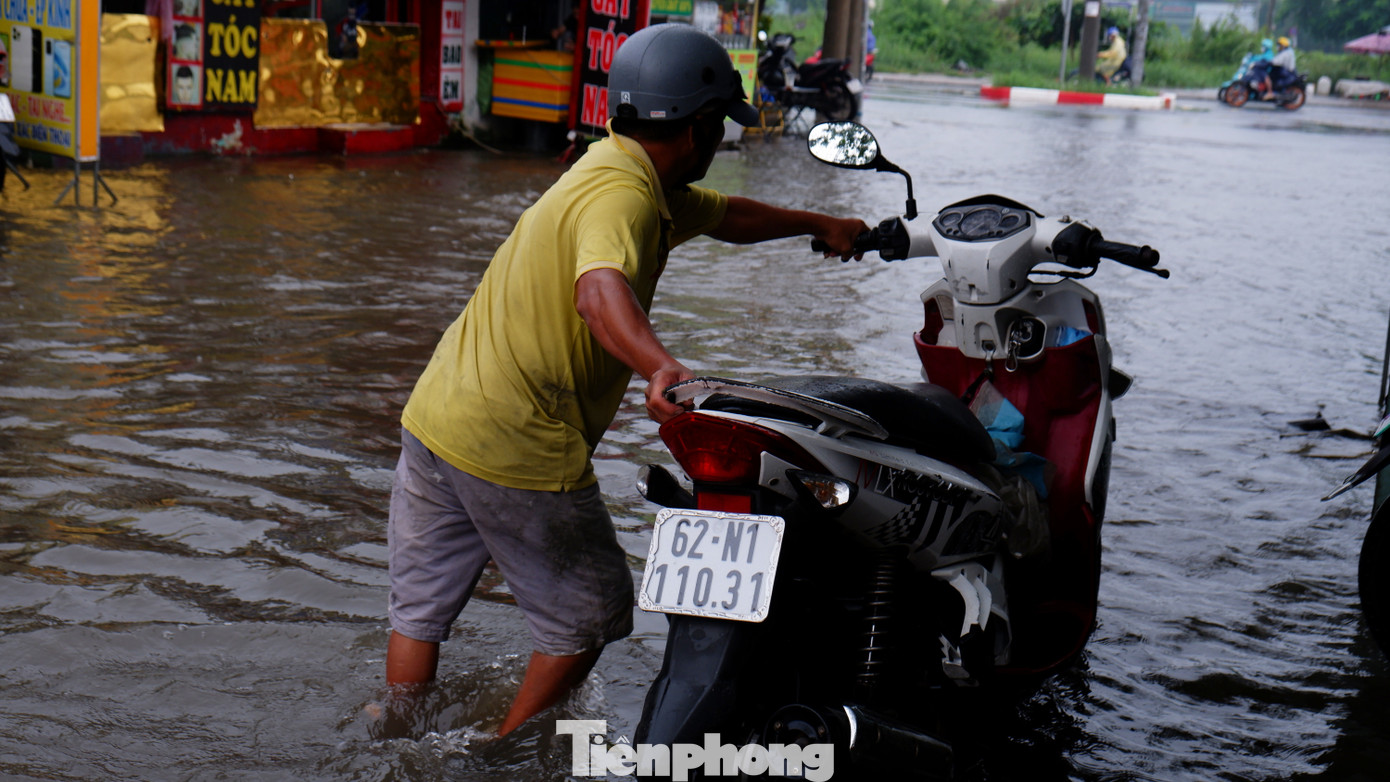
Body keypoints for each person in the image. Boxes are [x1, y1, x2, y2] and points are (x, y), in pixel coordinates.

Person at [383, 22, 868, 737]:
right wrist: (659, 365)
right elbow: (598, 290)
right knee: (590, 616)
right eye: (721, 126)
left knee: (419, 614)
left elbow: (728, 215)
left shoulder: (618, 169)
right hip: (517, 435)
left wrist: (819, 223)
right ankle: (495, 754)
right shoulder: (626, 198)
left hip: (438, 417)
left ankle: (394, 738)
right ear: (700, 128)